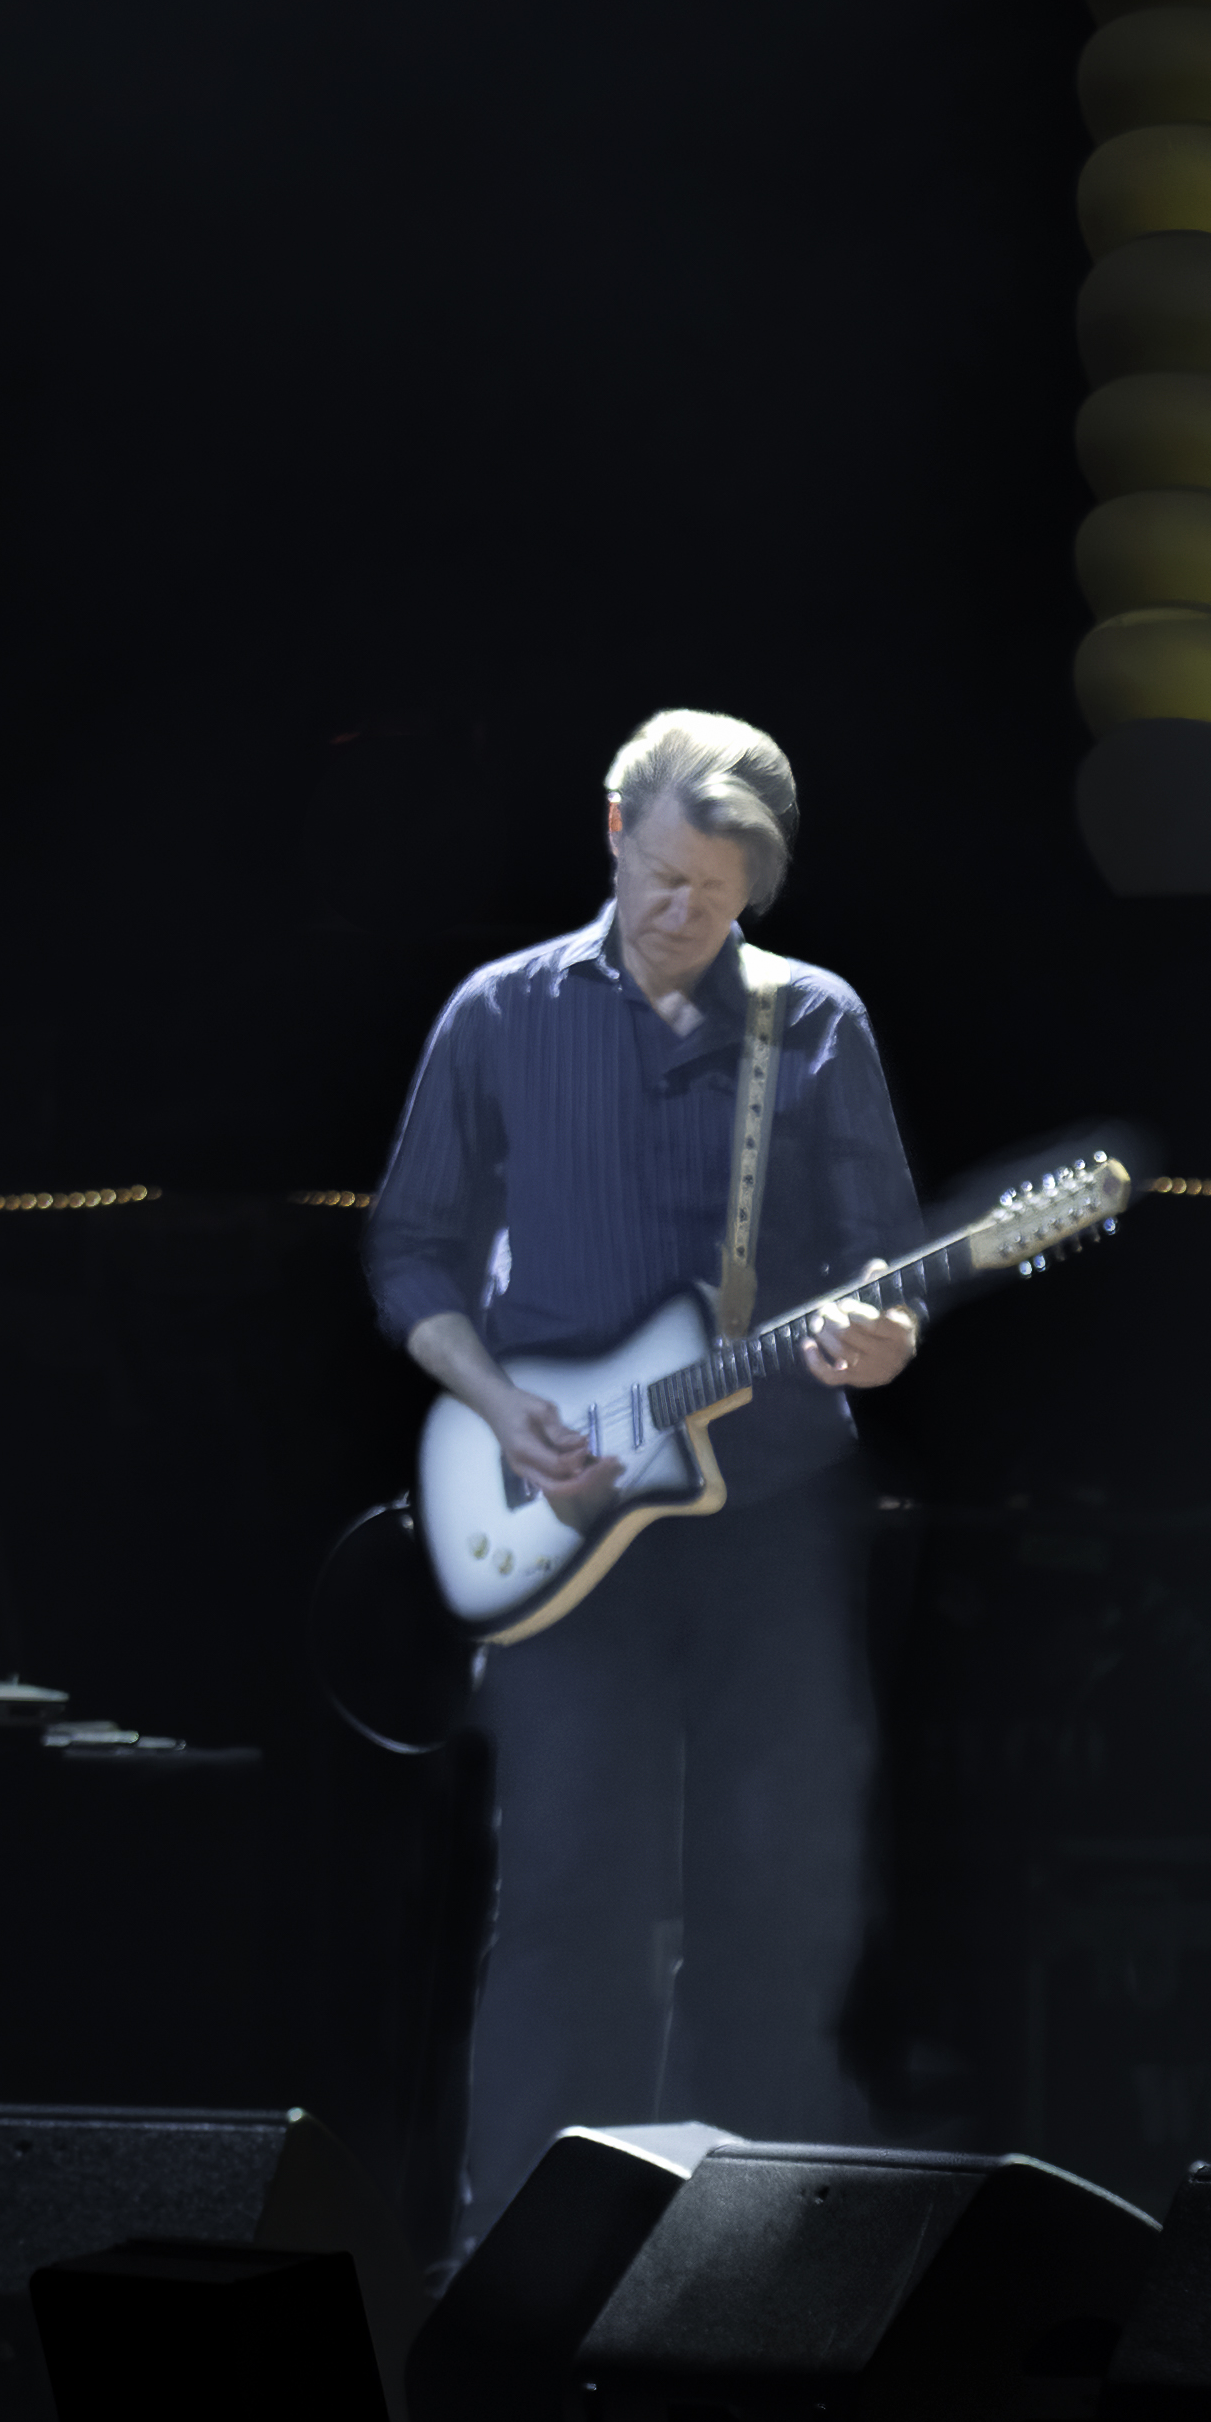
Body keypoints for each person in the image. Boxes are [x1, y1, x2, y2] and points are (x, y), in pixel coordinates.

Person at [367, 711, 924, 2249]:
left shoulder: (813, 1022)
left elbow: (884, 1264)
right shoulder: (500, 1012)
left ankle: (744, 2281)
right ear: (613, 827)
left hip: (775, 1511)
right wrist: (495, 1400)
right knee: (565, 1898)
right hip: (553, 1502)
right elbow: (410, 1249)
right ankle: (522, 2270)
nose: (687, 916)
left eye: (722, 896)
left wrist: (884, 1333)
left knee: (780, 1899)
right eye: (668, 877)